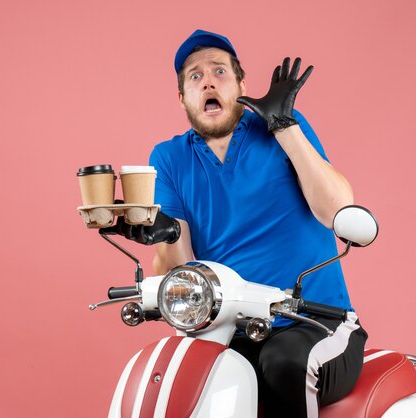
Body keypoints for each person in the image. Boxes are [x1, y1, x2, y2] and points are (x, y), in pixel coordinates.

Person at [102, 29, 367, 418]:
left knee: (281, 362)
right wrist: (167, 233)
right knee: (180, 374)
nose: (207, 80)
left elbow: (337, 209)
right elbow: (178, 267)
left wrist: (284, 125)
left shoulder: (280, 129)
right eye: (194, 76)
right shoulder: (169, 158)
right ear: (182, 99)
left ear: (242, 85)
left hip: (315, 322)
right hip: (227, 326)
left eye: (219, 71)